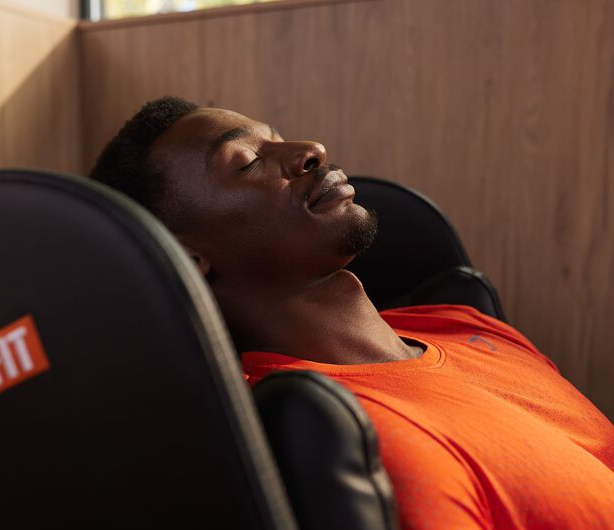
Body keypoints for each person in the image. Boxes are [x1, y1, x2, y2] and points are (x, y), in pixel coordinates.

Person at [90, 96, 614, 529]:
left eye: (276, 137)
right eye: (247, 162)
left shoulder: (461, 321)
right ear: (188, 258)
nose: (311, 150)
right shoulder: (353, 436)